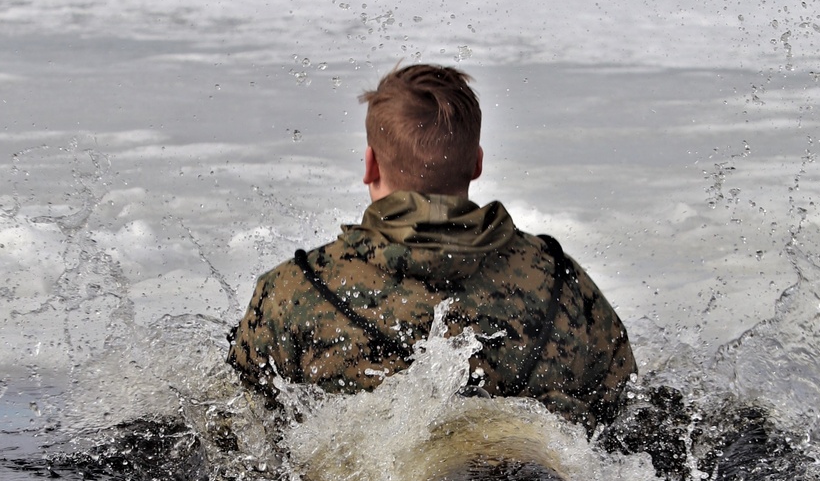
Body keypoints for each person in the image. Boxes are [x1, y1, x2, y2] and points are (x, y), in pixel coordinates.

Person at [227, 64, 636, 434]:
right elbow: (625, 416)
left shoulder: (293, 290)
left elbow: (240, 434)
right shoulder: (564, 284)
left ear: (370, 164)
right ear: (476, 163)